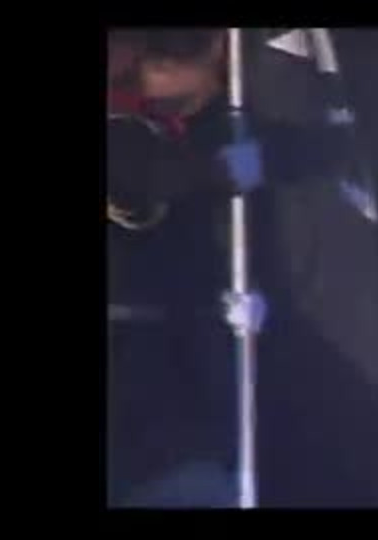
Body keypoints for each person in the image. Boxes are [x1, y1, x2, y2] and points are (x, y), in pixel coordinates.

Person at [107, 29, 263, 507]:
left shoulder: (156, 125)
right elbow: (143, 174)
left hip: (171, 399)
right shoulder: (130, 136)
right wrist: (223, 168)